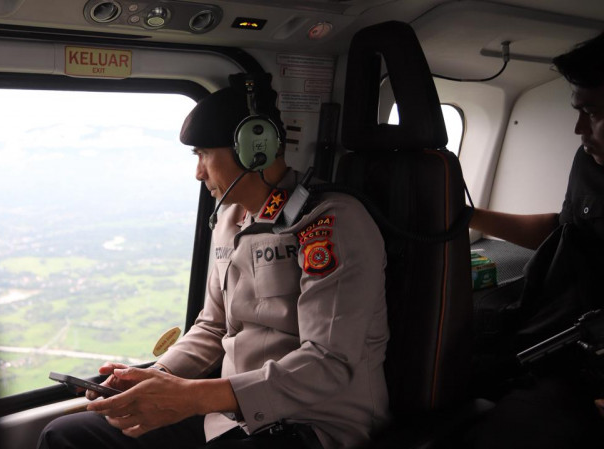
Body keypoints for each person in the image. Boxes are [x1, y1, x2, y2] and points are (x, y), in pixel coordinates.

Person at [38, 75, 389, 449]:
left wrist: (191, 397)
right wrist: (156, 377)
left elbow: (328, 362)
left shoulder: (331, 224)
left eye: (204, 154)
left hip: (313, 426)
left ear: (256, 147)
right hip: (227, 417)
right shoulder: (229, 220)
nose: (198, 172)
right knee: (65, 437)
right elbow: (212, 325)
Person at [466, 32, 604, 448]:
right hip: (544, 319)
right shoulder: (590, 160)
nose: (579, 128)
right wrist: (465, 217)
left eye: (593, 113)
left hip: (582, 361)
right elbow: (563, 230)